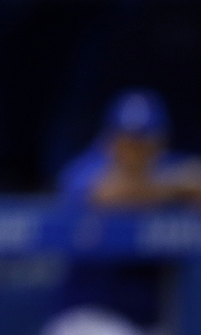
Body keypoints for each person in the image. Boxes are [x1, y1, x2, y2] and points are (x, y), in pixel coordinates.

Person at [43, 89, 201, 335]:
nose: (133, 150)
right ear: (110, 138)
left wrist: (176, 185)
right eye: (126, 139)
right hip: (90, 316)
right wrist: (174, 188)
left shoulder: (168, 166)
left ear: (160, 140)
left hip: (152, 319)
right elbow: (110, 193)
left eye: (142, 140)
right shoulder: (87, 167)